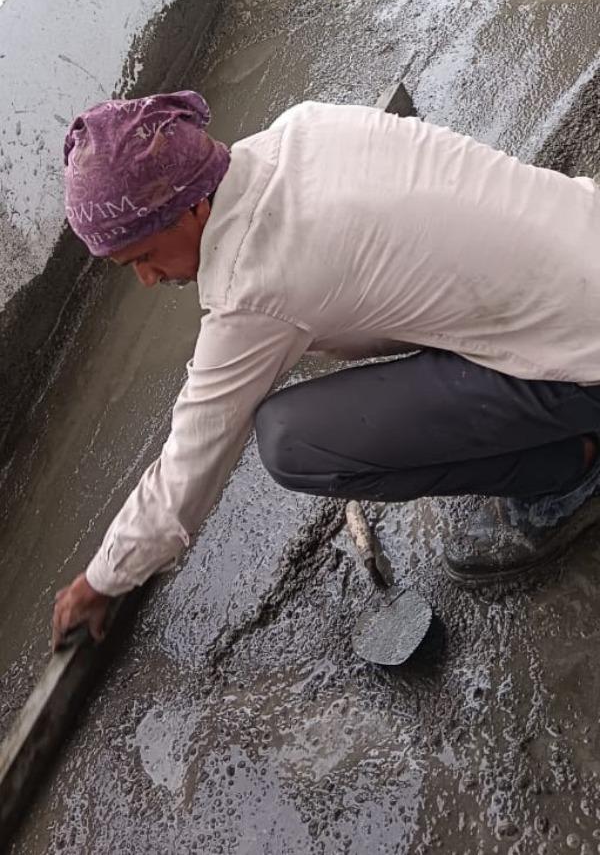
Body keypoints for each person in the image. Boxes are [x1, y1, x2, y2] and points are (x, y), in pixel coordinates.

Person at [52, 90, 600, 648]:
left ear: (192, 207)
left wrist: (102, 579)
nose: (147, 279)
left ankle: (568, 472)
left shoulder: (252, 281)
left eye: (144, 257)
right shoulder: (304, 128)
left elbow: (190, 461)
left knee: (291, 440)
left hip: (586, 360)